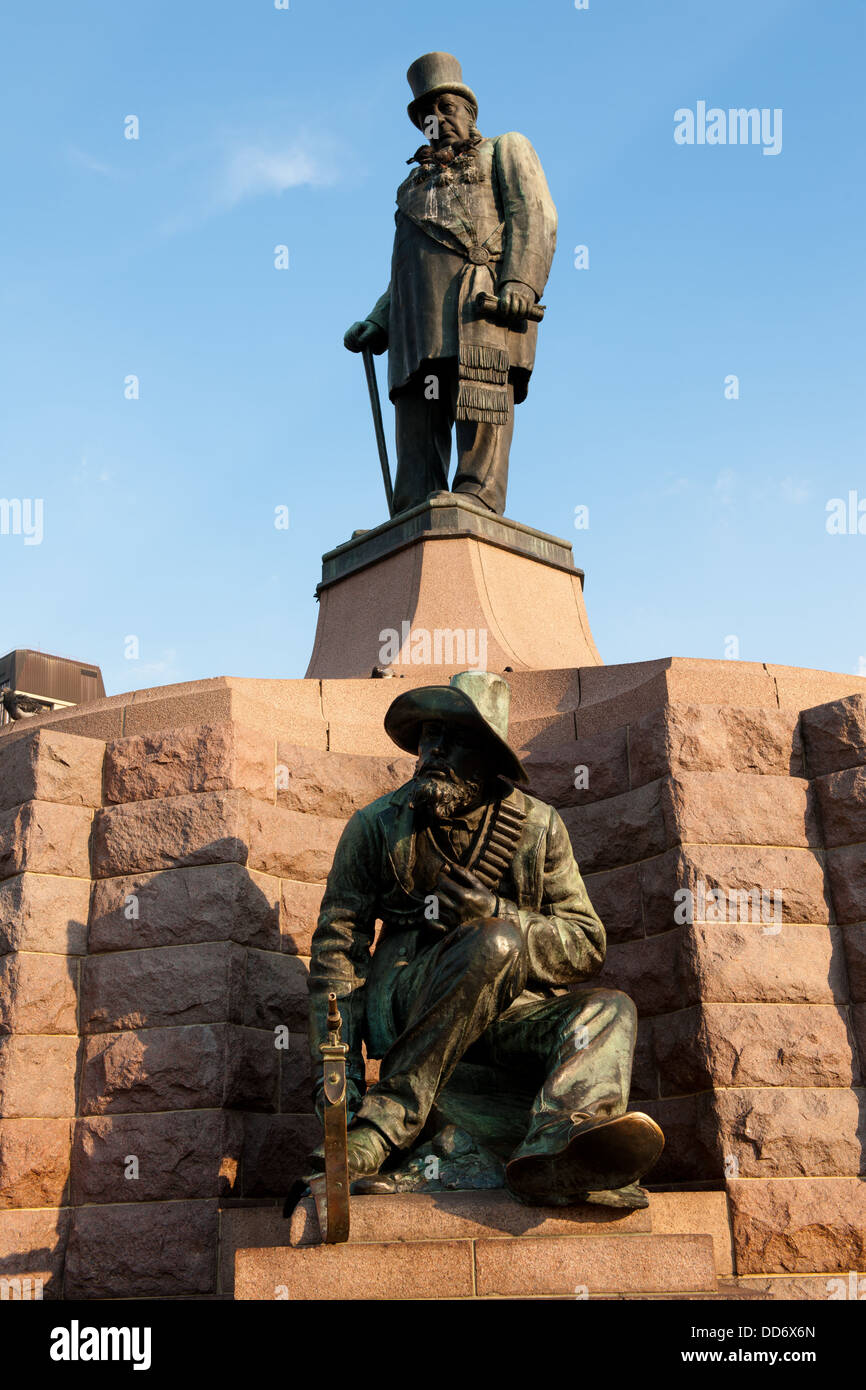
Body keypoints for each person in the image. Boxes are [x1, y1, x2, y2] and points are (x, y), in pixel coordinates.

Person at [303, 670, 664, 1207]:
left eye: (456, 739)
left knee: (611, 1010)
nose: (434, 751)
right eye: (429, 736)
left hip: (509, 1016)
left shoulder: (538, 826)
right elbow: (338, 951)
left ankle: (556, 1144)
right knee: (494, 943)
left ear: (492, 759)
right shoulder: (377, 825)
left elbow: (586, 942)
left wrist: (496, 911)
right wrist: (339, 1080)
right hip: (412, 1000)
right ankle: (383, 1127)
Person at [344, 52, 557, 517]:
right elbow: (405, 267)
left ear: (470, 113)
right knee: (418, 419)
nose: (437, 121)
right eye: (427, 117)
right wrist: (379, 319)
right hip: (416, 323)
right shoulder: (410, 188)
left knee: (481, 409)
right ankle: (413, 510)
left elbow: (534, 214)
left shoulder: (506, 148)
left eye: (446, 109)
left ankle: (476, 497)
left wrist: (521, 281)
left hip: (479, 303)